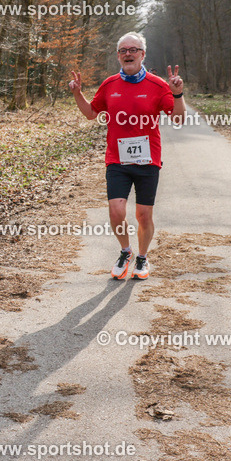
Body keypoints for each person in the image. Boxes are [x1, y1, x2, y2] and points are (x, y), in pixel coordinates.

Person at [68, 31, 186, 280]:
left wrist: (177, 95)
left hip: (147, 159)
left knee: (144, 215)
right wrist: (78, 93)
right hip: (117, 159)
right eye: (123, 50)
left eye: (133, 49)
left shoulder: (157, 85)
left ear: (143, 54)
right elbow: (91, 113)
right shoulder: (110, 84)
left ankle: (142, 257)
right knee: (116, 211)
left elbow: (178, 118)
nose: (128, 53)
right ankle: (126, 251)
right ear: (118, 56)